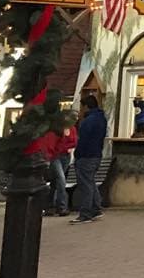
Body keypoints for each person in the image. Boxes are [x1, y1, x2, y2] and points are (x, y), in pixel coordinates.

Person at [71, 95, 107, 224]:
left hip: (86, 155)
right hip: (96, 153)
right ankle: (96, 209)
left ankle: (85, 213)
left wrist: (78, 154)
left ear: (86, 106)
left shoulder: (88, 121)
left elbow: (83, 140)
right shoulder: (101, 118)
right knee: (90, 182)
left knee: (85, 185)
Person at [43, 124, 77, 217]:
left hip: (66, 156)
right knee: (61, 179)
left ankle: (49, 206)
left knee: (55, 181)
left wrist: (66, 146)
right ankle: (62, 207)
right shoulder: (56, 128)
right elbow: (51, 144)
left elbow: (74, 142)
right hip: (55, 156)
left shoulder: (72, 128)